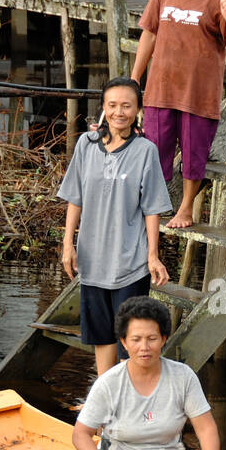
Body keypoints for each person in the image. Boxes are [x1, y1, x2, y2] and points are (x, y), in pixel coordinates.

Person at [71, 296, 226, 450]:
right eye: (136, 339)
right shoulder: (109, 384)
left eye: (152, 338)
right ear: (124, 342)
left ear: (163, 339)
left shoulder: (182, 376)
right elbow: (80, 434)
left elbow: (205, 427)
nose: (144, 347)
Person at [131, 0, 226, 230]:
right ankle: (152, 209)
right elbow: (149, 35)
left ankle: (185, 209)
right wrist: (133, 81)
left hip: (198, 92)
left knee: (194, 152)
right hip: (161, 87)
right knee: (153, 150)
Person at [57, 77, 172, 376]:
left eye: (126, 106)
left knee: (131, 342)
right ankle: (104, 404)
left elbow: (152, 209)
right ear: (103, 108)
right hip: (92, 261)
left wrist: (153, 255)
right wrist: (68, 244)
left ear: (137, 110)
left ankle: (128, 408)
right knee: (101, 337)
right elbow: (75, 197)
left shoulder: (145, 151)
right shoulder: (86, 144)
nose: (119, 112)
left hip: (130, 262)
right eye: (112, 105)